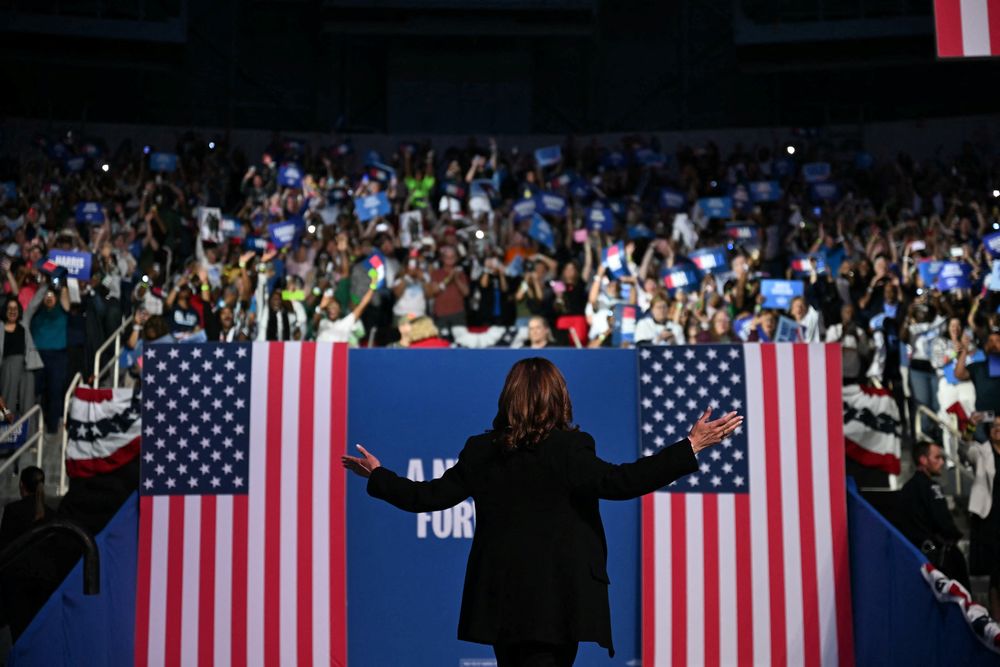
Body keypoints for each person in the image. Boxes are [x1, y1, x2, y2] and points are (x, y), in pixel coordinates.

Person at [342, 357, 742, 666]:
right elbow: (621, 482)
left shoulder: (482, 451)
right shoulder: (569, 448)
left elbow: (427, 497)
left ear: (508, 398)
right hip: (558, 605)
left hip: (502, 605)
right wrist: (689, 446)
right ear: (558, 398)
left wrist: (378, 476)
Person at [896, 441, 969, 588]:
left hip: (916, 554)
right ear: (923, 460)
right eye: (937, 457)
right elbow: (943, 522)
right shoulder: (931, 487)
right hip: (937, 554)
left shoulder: (907, 488)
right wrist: (954, 535)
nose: (941, 462)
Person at [967, 418, 1000, 619]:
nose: (998, 429)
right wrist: (971, 426)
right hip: (991, 518)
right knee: (996, 571)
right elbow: (964, 448)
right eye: (994, 426)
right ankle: (997, 619)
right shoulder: (981, 451)